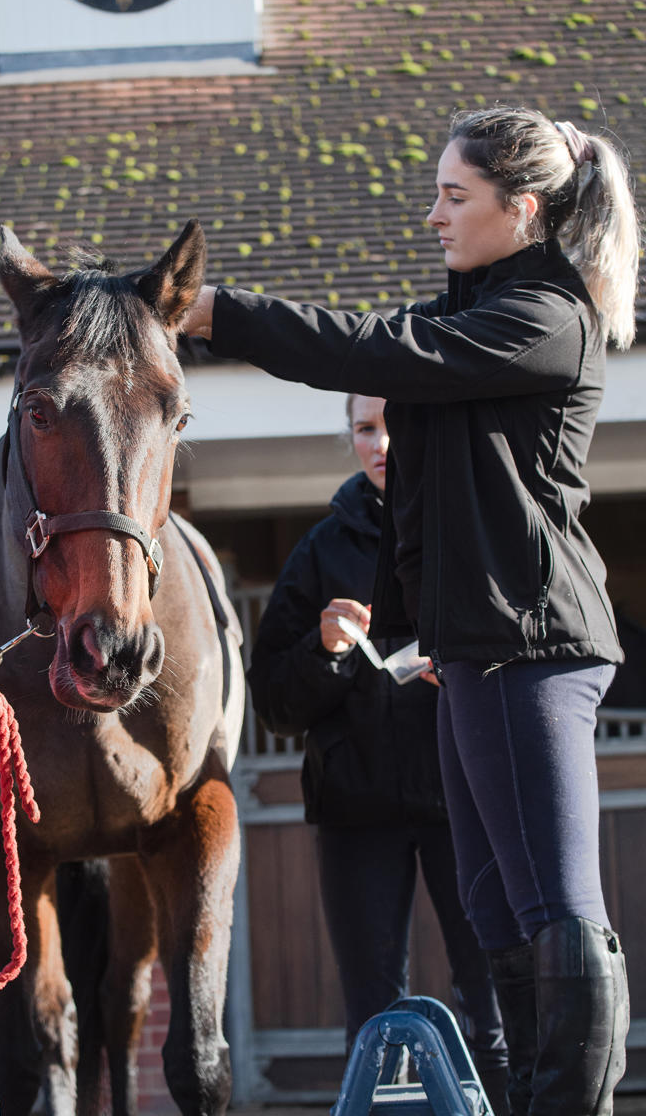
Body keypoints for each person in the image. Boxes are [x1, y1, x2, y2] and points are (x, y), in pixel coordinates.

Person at [182, 106, 639, 1116]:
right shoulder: (480, 317)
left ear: (519, 208)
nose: (432, 214)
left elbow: (372, 351)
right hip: (478, 651)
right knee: (492, 909)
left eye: (453, 195)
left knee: (552, 911)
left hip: (532, 643)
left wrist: (215, 311)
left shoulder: (543, 317)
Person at [248, 393, 508, 1114]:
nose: (383, 442)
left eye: (397, 423)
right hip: (356, 812)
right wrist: (324, 649)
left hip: (469, 804)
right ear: (350, 438)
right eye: (366, 428)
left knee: (495, 1010)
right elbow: (270, 699)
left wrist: (464, 664)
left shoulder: (475, 526)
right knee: (373, 1020)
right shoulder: (320, 551)